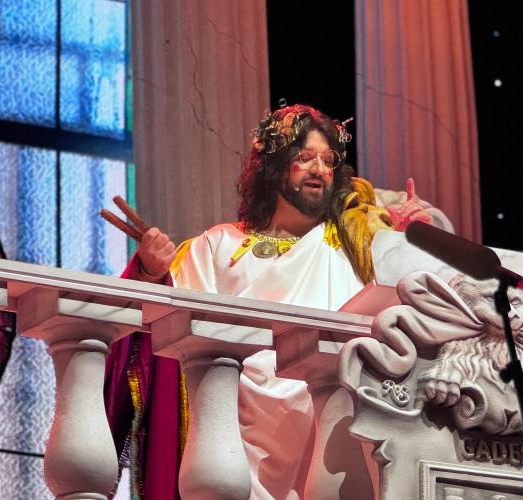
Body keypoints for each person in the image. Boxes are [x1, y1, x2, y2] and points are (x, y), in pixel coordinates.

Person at [104, 104, 449, 499]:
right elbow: (167, 328)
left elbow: (411, 307)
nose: (319, 168)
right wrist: (151, 271)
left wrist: (408, 241)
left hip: (330, 429)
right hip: (234, 438)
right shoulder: (218, 244)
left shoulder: (356, 244)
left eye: (327, 159)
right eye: (304, 158)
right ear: (273, 167)